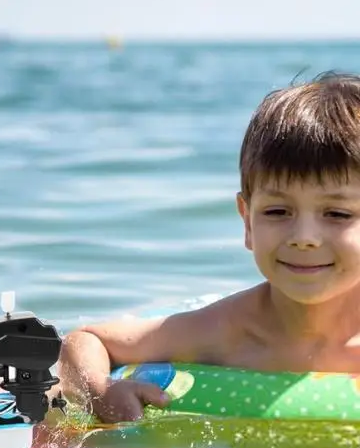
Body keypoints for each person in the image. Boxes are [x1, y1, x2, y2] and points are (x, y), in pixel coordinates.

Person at [58, 72, 360, 422]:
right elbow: (85, 339)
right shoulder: (226, 331)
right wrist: (100, 392)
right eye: (277, 211)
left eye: (337, 213)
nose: (304, 236)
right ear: (247, 222)